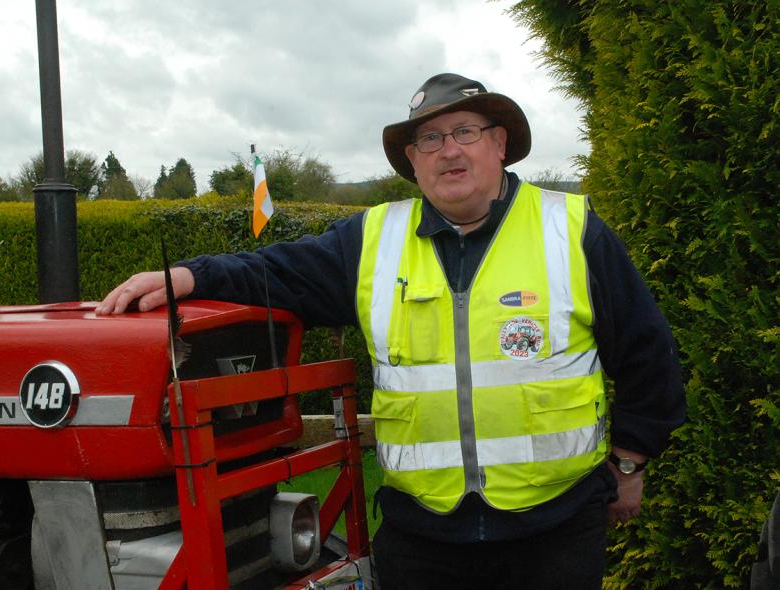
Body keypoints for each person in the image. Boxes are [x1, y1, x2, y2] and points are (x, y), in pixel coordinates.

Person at [97, 73, 685, 589]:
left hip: (555, 529)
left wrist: (630, 466)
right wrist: (187, 276)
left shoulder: (571, 229)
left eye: (465, 132)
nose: (447, 151)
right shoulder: (372, 240)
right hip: (422, 537)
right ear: (412, 160)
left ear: (500, 144)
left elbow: (646, 354)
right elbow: (275, 270)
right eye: (429, 139)